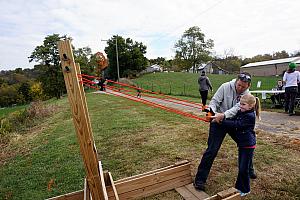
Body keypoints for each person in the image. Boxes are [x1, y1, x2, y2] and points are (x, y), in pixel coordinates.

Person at [194, 72, 256, 191]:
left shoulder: (247, 95)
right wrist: (210, 114)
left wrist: (223, 116)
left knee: (245, 146)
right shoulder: (225, 86)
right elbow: (214, 102)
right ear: (236, 81)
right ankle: (200, 180)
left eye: (243, 87)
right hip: (218, 123)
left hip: (234, 122)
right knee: (212, 150)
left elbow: (236, 109)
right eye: (239, 85)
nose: (240, 88)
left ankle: (249, 169)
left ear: (248, 86)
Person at [217, 94, 260, 196]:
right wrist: (220, 118)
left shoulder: (250, 116)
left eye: (243, 104)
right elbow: (233, 120)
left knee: (243, 168)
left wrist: (222, 121)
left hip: (248, 146)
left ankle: (245, 190)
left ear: (251, 106)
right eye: (240, 103)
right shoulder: (242, 111)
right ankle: (239, 187)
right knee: (242, 167)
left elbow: (237, 124)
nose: (240, 106)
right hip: (242, 144)